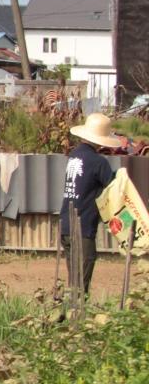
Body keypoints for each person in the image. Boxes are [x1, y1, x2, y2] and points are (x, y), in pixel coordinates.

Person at [61, 112, 127, 300]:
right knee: (81, 282)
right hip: (82, 227)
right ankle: (77, 320)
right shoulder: (99, 162)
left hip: (66, 223)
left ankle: (69, 317)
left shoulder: (74, 156)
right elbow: (113, 190)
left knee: (73, 280)